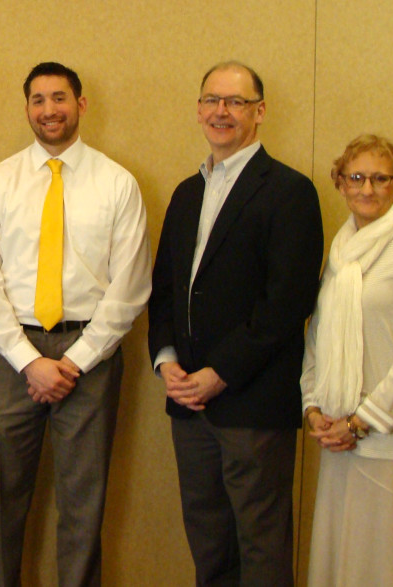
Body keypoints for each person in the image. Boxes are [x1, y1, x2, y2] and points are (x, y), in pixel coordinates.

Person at [0, 61, 151, 586]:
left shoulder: (118, 184)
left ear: (81, 105)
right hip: (9, 356)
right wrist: (30, 361)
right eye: (38, 100)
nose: (49, 110)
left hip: (88, 356)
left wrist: (73, 361)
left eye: (60, 98)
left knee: (83, 506)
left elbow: (130, 287)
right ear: (26, 108)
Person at [147, 61, 323, 586]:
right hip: (187, 402)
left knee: (261, 544)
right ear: (199, 110)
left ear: (259, 112)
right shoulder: (186, 192)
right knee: (208, 540)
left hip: (252, 400)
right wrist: (167, 361)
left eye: (235, 102)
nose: (220, 111)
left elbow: (287, 302)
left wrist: (220, 372)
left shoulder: (289, 191)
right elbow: (166, 291)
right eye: (211, 100)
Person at [301, 135, 393, 585]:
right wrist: (314, 407)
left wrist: (363, 421)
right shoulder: (339, 256)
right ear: (340, 183)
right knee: (343, 556)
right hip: (338, 435)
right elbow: (318, 336)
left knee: (386, 561)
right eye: (356, 177)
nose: (368, 188)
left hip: (392, 437)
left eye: (381, 178)